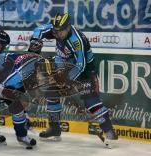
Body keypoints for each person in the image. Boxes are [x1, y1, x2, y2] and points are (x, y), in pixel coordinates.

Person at [28, 13, 118, 141]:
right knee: (51, 94)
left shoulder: (76, 41)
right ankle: (55, 128)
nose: (57, 34)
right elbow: (38, 30)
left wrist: (66, 80)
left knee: (91, 103)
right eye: (55, 31)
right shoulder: (56, 29)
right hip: (65, 67)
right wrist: (35, 44)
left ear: (68, 27)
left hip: (85, 72)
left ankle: (109, 130)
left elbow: (80, 65)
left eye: (60, 32)